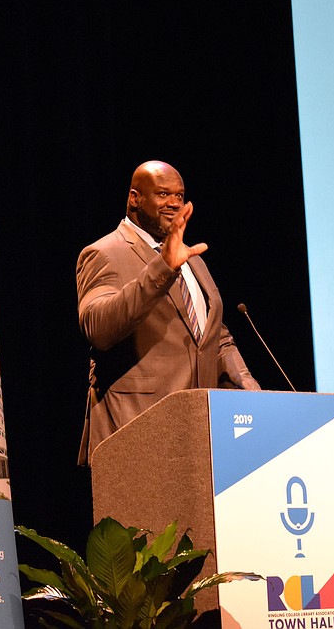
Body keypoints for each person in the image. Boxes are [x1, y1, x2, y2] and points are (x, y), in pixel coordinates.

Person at [75, 160, 260, 465]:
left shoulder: (192, 259)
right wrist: (164, 267)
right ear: (135, 198)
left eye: (180, 195)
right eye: (163, 194)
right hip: (137, 435)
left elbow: (216, 336)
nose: (174, 203)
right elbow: (98, 328)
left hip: (199, 434)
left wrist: (250, 388)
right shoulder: (104, 253)